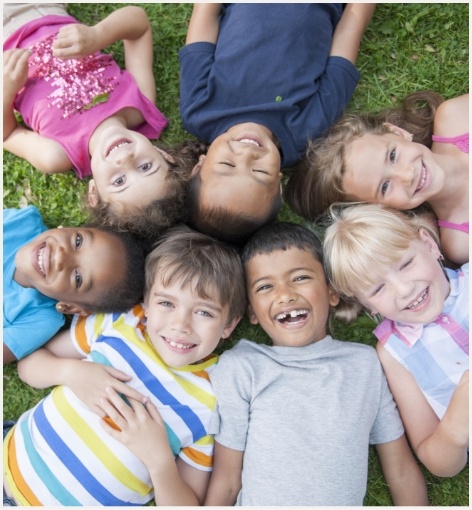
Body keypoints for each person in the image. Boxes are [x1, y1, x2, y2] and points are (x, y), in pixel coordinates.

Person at [4, 226, 246, 506]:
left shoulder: (211, 403)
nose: (180, 325)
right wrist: (69, 372)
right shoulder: (120, 324)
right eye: (166, 303)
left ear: (229, 324)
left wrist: (160, 462)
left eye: (204, 312)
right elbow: (29, 365)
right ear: (146, 301)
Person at [202, 221, 428, 505]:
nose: (285, 294)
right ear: (252, 312)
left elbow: (401, 471)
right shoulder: (242, 366)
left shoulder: (364, 364)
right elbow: (227, 479)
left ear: (332, 292)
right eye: (265, 286)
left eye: (300, 278)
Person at [179, 3, 375, 244]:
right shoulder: (308, 130)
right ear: (279, 185)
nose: (247, 155)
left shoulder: (199, 110)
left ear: (199, 166)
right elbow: (348, 35)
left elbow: (205, 20)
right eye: (260, 171)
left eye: (227, 163)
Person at [3, 4, 189, 238]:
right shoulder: (138, 105)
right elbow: (138, 24)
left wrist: (6, 91)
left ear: (94, 193)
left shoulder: (58, 154)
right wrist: (97, 35)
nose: (125, 159)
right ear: (164, 155)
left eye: (120, 180)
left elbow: (7, 134)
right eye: (145, 167)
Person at [323, 203, 469, 477]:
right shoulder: (394, 354)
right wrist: (457, 423)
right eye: (378, 288)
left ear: (429, 244)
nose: (403, 290)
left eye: (406, 264)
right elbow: (439, 463)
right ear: (368, 306)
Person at [286, 91, 469, 265]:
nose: (407, 175)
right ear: (384, 211)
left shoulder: (456, 117)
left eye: (392, 156)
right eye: (385, 186)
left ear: (397, 132)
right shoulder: (459, 240)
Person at [3, 205, 147, 365]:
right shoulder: (21, 223)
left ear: (69, 307)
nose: (60, 256)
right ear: (70, 228)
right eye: (78, 241)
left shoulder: (40, 320)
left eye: (78, 278)